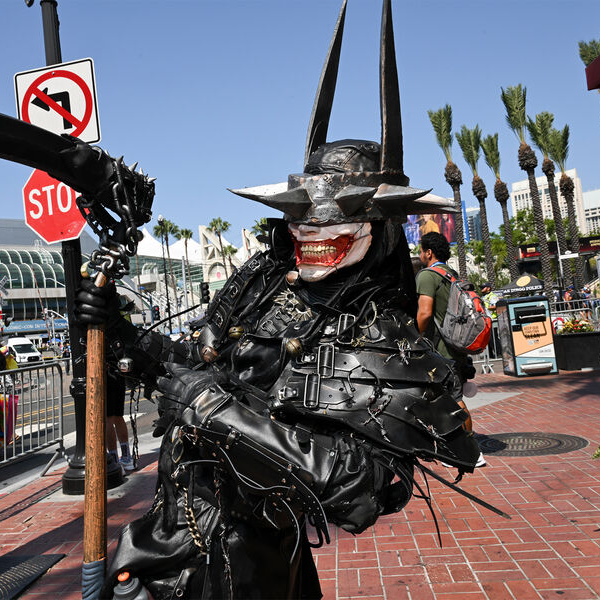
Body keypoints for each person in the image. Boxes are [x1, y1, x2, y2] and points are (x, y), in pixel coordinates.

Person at [77, 5, 483, 595]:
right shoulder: (263, 288)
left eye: (336, 217)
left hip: (253, 564)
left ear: (380, 225)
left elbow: (358, 489)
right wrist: (121, 333)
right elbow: (195, 364)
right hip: (172, 536)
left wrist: (213, 411)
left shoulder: (383, 336)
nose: (311, 230)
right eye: (301, 216)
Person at [415, 232, 484, 467]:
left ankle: (470, 452)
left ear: (429, 252)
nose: (419, 254)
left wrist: (415, 337)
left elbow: (425, 312)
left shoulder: (427, 276)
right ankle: (454, 447)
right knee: (448, 398)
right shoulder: (451, 274)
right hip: (455, 348)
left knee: (454, 400)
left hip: (441, 351)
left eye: (421, 250)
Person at [105, 369, 135, 472]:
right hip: (118, 373)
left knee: (108, 419)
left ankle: (114, 460)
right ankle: (126, 457)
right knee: (118, 417)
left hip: (106, 375)